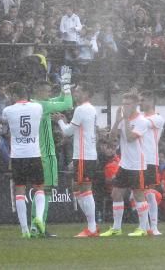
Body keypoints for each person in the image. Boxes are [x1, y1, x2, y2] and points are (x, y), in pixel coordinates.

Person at [100, 90, 150, 237]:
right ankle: (116, 228)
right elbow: (111, 139)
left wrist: (126, 120)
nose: (124, 106)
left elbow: (129, 137)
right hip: (125, 164)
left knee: (138, 195)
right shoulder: (123, 120)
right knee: (116, 194)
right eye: (123, 103)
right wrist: (117, 120)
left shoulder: (142, 121)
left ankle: (143, 228)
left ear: (135, 104)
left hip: (138, 165)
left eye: (127, 104)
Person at [31, 67, 73, 237]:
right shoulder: (43, 105)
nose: (50, 94)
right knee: (45, 191)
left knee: (42, 191)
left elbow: (61, 99)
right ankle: (39, 227)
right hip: (46, 154)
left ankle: (36, 226)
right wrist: (67, 86)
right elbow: (68, 104)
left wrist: (65, 84)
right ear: (40, 91)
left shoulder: (37, 103)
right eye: (48, 91)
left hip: (39, 153)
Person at [1, 82, 46, 239]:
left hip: (18, 156)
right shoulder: (37, 107)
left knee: (19, 190)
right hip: (34, 154)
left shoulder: (8, 110)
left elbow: (5, 120)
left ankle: (25, 230)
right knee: (39, 188)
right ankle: (39, 219)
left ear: (14, 95)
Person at [56, 85, 99, 237]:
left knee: (85, 189)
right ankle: (92, 225)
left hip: (83, 155)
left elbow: (67, 132)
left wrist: (60, 121)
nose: (75, 93)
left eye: (79, 91)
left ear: (87, 93)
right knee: (77, 188)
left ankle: (92, 227)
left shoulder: (81, 109)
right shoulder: (91, 109)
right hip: (87, 154)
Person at [138, 90, 165, 236]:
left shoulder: (157, 118)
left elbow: (140, 123)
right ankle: (145, 227)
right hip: (138, 160)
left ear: (150, 101)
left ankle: (154, 227)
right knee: (141, 193)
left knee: (149, 194)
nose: (140, 103)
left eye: (142, 100)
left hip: (150, 160)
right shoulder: (141, 117)